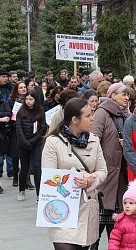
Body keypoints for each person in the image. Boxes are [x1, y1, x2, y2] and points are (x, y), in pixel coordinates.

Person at [42, 98, 108, 250]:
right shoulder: (53, 142)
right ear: (74, 119)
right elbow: (49, 176)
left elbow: (102, 170)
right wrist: (77, 176)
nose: (92, 118)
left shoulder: (94, 140)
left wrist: (92, 180)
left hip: (87, 206)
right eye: (88, 115)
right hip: (62, 206)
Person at [90, 83, 131, 246]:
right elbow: (93, 140)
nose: (127, 98)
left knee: (116, 223)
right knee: (100, 222)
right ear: (113, 95)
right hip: (105, 172)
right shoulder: (102, 112)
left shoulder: (126, 114)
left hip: (121, 174)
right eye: (124, 94)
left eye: (128, 95)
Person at [16, 90, 47, 201]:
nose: (28, 101)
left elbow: (43, 128)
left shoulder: (40, 111)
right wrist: (25, 142)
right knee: (24, 167)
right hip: (23, 144)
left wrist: (33, 141)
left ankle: (39, 194)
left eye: (31, 99)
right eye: (27, 99)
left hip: (36, 143)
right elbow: (18, 129)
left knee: (37, 168)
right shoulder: (20, 112)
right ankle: (21, 190)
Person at [7, 81, 27, 185]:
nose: (23, 89)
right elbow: (9, 114)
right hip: (15, 130)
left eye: (24, 87)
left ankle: (26, 178)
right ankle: (15, 176)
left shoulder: (29, 100)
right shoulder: (11, 101)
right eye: (21, 87)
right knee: (15, 155)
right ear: (16, 89)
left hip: (27, 130)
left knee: (26, 155)